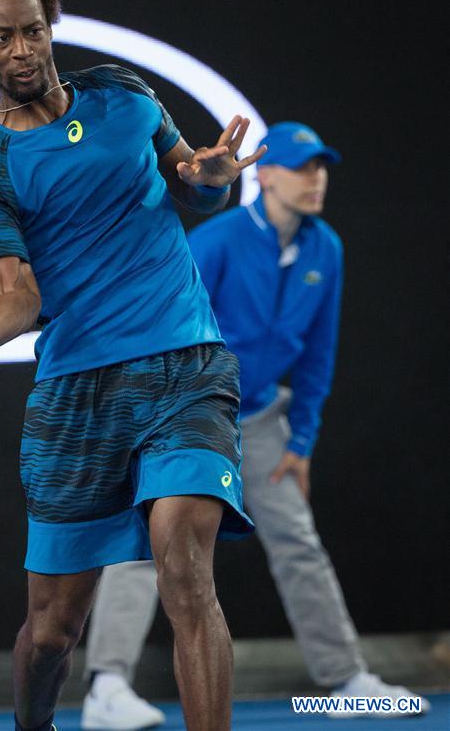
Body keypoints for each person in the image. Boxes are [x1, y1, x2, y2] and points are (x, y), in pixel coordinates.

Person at [0, 0, 265, 731]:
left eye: (31, 32)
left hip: (184, 364)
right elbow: (14, 294)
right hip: (77, 397)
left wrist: (210, 176)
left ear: (49, 26)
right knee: (49, 634)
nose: (21, 51)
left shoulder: (124, 94)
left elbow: (190, 178)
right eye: (1, 38)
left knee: (183, 566)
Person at [81, 121, 431, 727]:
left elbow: (319, 352)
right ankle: (105, 689)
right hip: (186, 412)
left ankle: (347, 681)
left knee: (300, 544)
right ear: (264, 175)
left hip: (264, 418)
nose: (315, 180)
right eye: (301, 168)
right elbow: (168, 327)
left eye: (321, 168)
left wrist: (303, 441)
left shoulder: (327, 249)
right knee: (149, 545)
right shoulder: (216, 241)